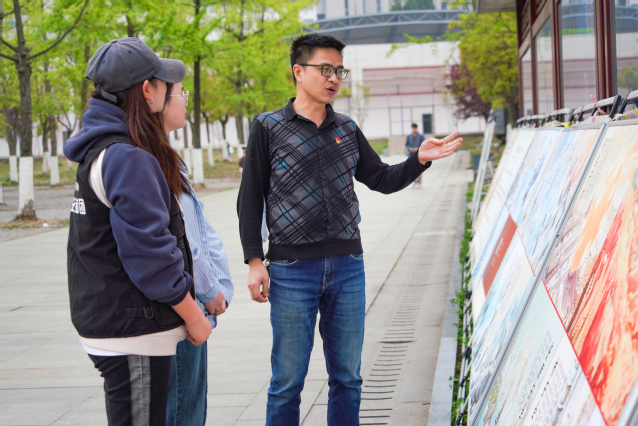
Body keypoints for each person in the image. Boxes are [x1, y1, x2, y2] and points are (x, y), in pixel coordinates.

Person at [237, 34, 462, 426]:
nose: (334, 78)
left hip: (347, 267)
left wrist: (418, 160)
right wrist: (255, 261)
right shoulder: (269, 127)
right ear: (298, 71)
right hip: (291, 270)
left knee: (348, 378)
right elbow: (250, 197)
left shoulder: (346, 127)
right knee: (287, 381)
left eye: (339, 71)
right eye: (325, 69)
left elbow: (381, 178)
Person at [64, 37, 212, 425]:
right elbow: (151, 257)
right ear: (148, 91)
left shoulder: (103, 149)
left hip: (112, 321)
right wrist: (194, 316)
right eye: (164, 83)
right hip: (133, 329)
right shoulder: (128, 157)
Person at [159, 81, 235, 425]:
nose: (186, 100)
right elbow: (186, 240)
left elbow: (199, 227)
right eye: (181, 92)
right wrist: (209, 292)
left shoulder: (164, 155)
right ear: (154, 96)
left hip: (186, 306)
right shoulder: (155, 160)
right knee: (183, 412)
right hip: (181, 311)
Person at [406, 123, 425, 188]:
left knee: (419, 168)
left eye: (414, 128)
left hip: (419, 154)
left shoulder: (421, 136)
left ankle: (419, 182)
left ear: (416, 128)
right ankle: (414, 181)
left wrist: (418, 148)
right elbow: (407, 144)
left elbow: (423, 144)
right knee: (412, 169)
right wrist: (410, 148)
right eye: (412, 128)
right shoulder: (409, 136)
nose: (413, 129)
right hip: (411, 155)